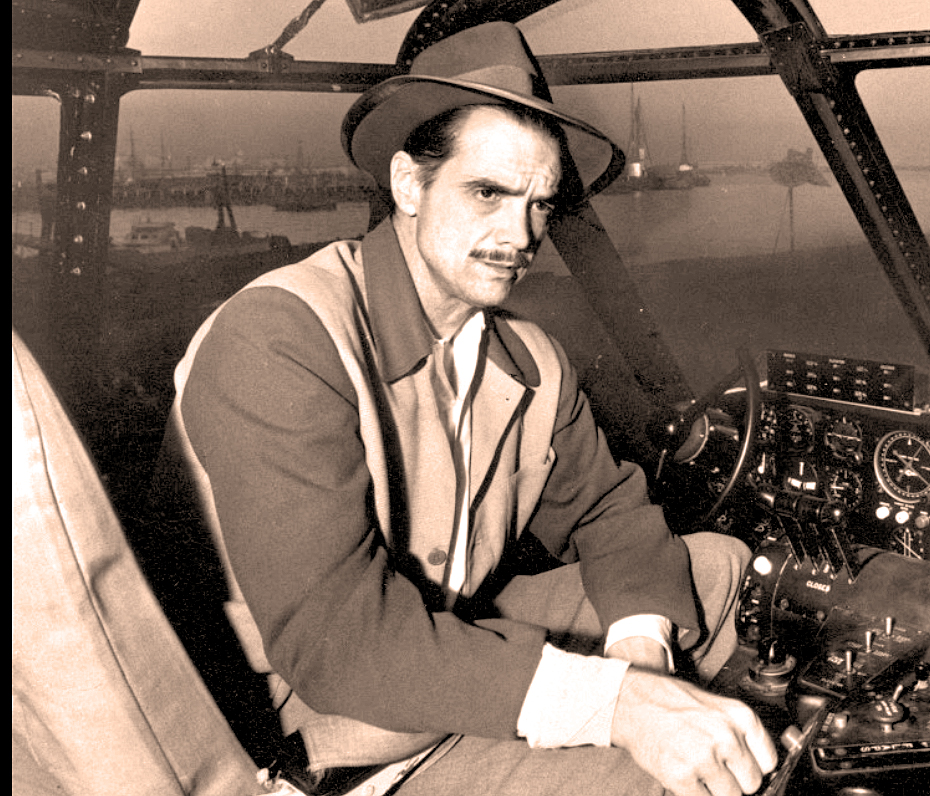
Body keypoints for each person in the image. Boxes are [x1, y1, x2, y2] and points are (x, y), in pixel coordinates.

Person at [156, 21, 776, 796]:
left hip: (435, 645)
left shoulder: (527, 358)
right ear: (409, 185)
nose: (519, 234)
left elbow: (611, 512)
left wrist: (641, 650)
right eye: (487, 191)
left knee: (709, 566)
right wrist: (616, 706)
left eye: (539, 204)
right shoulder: (278, 337)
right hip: (302, 727)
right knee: (648, 772)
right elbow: (337, 643)